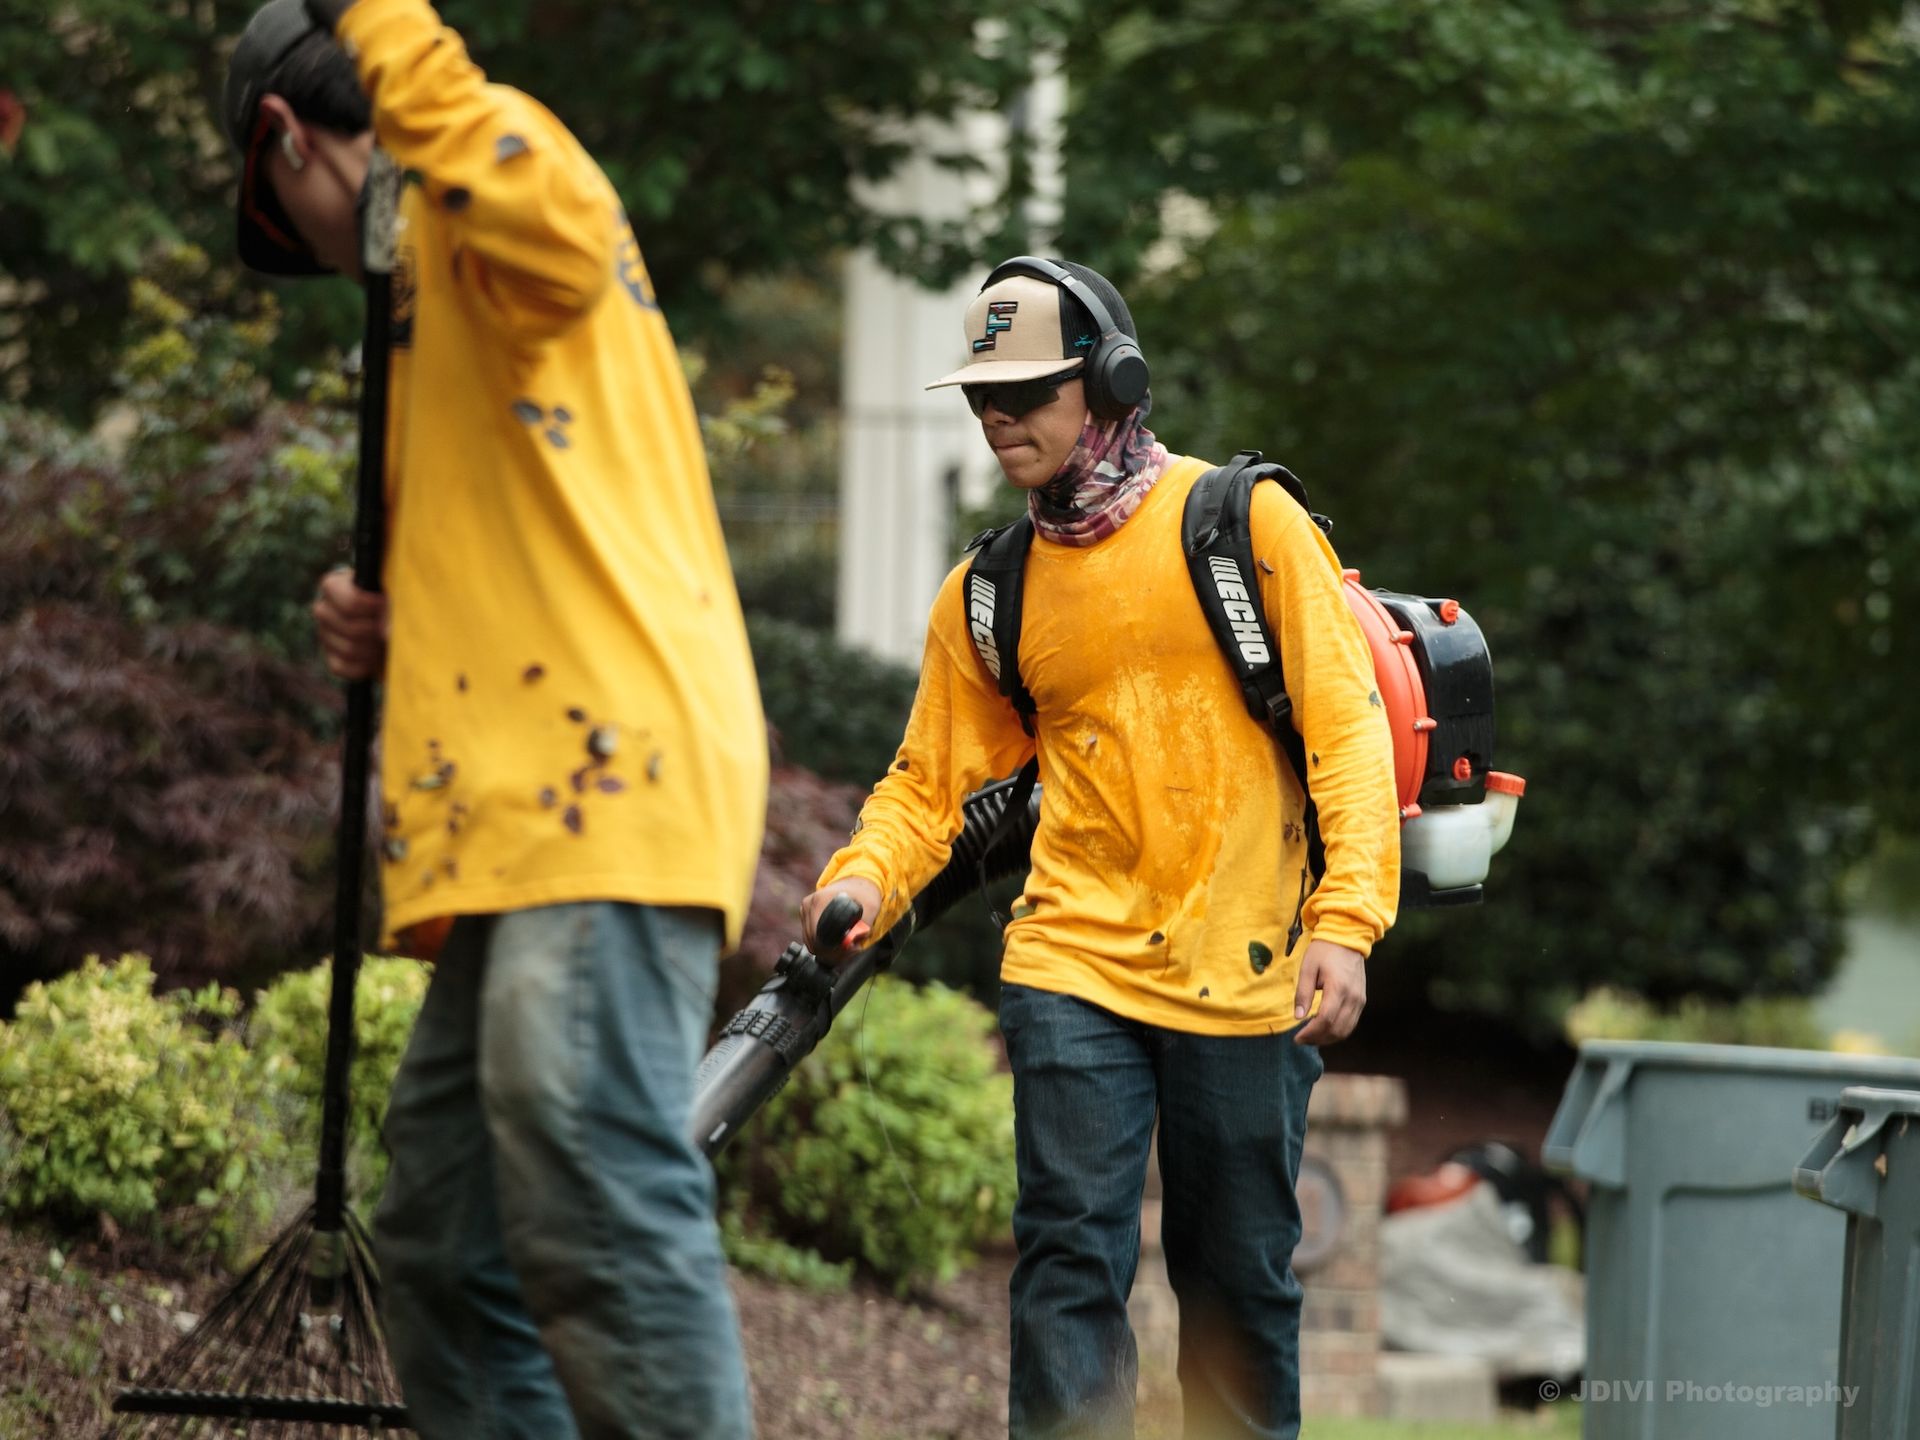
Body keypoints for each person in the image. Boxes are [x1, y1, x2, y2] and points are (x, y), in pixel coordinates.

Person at [222, 2, 767, 1436]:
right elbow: (535, 527)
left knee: (592, 1181)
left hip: (606, 771)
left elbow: (552, 230)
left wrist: (378, 20)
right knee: (450, 1249)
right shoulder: (434, 297)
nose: (319, 257)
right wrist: (397, 622)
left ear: (283, 137)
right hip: (534, 801)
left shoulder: (506, 165)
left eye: (285, 206)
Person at [802, 258, 1400, 1439]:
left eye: (1026, 388)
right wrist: (860, 877)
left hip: (1246, 967)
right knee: (1067, 1264)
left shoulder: (1241, 524)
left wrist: (1345, 921)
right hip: (1072, 961)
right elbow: (929, 781)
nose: (997, 416)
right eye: (981, 394)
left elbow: (1346, 728)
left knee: (1235, 1288)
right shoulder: (992, 589)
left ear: (1111, 379)